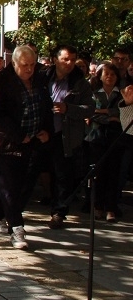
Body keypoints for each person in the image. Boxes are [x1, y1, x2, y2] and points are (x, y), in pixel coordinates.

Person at [0, 46, 53, 249]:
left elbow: (45, 106)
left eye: (32, 65)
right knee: (9, 185)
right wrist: (18, 135)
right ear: (14, 63)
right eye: (25, 65)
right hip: (5, 143)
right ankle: (16, 228)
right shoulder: (0, 82)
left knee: (22, 183)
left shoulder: (39, 78)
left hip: (32, 140)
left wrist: (45, 130)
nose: (29, 69)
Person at [44, 44, 93, 229]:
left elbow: (89, 108)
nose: (69, 63)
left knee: (62, 176)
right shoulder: (43, 77)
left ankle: (59, 212)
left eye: (72, 60)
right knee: (31, 171)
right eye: (65, 59)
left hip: (65, 136)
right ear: (56, 59)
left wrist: (68, 109)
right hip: (42, 133)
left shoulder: (80, 83)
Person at [85, 63, 123, 222]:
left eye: (113, 74)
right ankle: (97, 206)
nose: (109, 77)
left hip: (115, 138)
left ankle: (111, 208)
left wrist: (104, 113)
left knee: (113, 173)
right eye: (106, 74)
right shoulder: (94, 94)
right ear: (99, 76)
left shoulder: (121, 94)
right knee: (97, 174)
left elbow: (122, 113)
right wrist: (110, 117)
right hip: (96, 138)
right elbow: (90, 114)